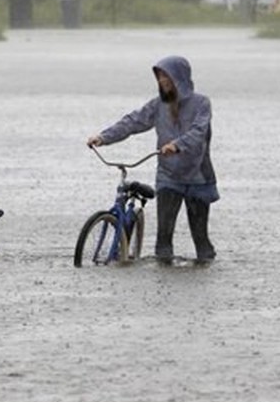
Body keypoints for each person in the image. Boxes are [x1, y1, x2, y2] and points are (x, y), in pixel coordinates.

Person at [87, 55, 218, 263]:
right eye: (159, 77)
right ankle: (163, 283)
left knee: (200, 238)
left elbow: (199, 131)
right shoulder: (157, 106)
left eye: (167, 77)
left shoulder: (201, 103)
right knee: (163, 237)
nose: (162, 81)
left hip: (198, 178)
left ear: (180, 78)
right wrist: (103, 138)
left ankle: (205, 277)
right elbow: (132, 122)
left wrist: (176, 145)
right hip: (169, 177)